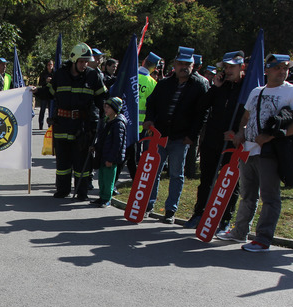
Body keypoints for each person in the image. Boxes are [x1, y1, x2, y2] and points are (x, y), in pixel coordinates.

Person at [217, 54, 293, 252]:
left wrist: (273, 136)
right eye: (277, 67)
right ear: (267, 70)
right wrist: (240, 132)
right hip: (248, 150)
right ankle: (240, 232)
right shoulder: (256, 91)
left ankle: (263, 239)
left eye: (285, 68)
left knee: (270, 196)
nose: (282, 71)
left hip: (271, 152)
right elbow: (246, 116)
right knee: (247, 194)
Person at [142, 46, 210, 222]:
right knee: (153, 172)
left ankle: (170, 210)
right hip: (160, 135)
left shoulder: (199, 85)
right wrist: (149, 119)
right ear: (174, 64)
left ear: (193, 65)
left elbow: (201, 114)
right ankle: (147, 205)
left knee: (176, 174)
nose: (183, 67)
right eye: (180, 63)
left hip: (181, 138)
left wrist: (192, 136)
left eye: (188, 64)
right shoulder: (164, 83)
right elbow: (151, 103)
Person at [184, 50, 248, 229]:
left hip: (233, 142)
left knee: (230, 181)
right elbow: (202, 106)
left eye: (232, 67)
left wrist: (237, 133)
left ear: (241, 67)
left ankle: (225, 219)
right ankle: (199, 213)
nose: (228, 70)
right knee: (206, 179)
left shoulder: (248, 88)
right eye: (226, 67)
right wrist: (215, 87)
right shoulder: (221, 87)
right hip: (212, 140)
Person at [42, 42, 107, 200]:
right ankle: (62, 190)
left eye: (86, 62)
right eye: (81, 61)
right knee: (63, 162)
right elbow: (49, 93)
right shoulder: (60, 75)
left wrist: (102, 120)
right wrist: (35, 91)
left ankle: (81, 192)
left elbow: (103, 100)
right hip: (62, 124)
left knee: (81, 163)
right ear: (74, 60)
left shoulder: (93, 76)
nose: (84, 65)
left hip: (82, 126)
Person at [92, 97, 127, 207]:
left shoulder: (118, 124)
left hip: (110, 157)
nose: (105, 110)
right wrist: (96, 147)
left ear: (115, 109)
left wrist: (111, 158)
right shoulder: (108, 121)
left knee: (108, 179)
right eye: (105, 107)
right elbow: (102, 139)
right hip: (103, 155)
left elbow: (117, 144)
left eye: (108, 108)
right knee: (102, 178)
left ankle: (107, 198)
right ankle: (102, 196)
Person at [36, 59, 54, 130]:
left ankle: (50, 125)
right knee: (42, 110)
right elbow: (40, 83)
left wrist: (51, 80)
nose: (50, 66)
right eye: (49, 65)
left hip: (51, 95)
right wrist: (45, 81)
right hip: (44, 94)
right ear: (47, 66)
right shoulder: (43, 73)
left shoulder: (55, 73)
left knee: (51, 110)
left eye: (51, 65)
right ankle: (41, 125)